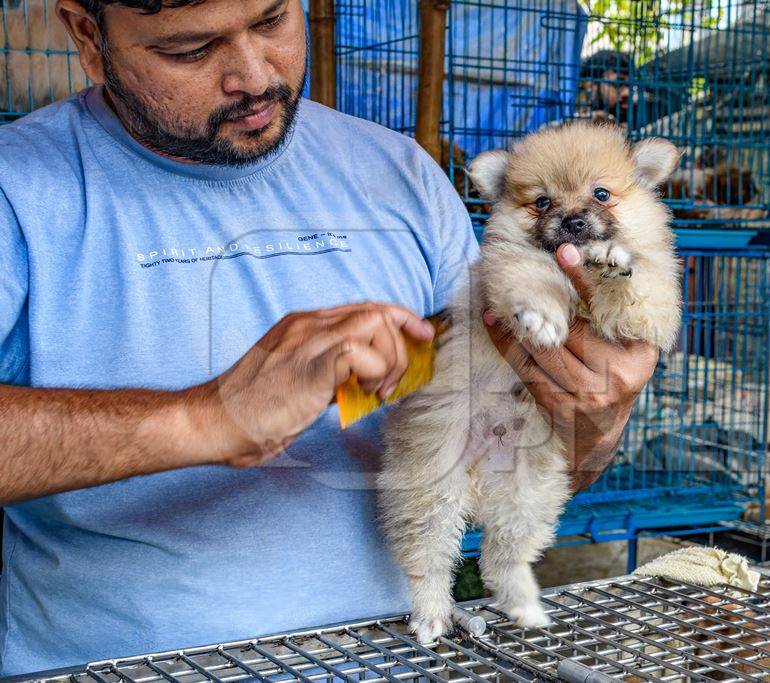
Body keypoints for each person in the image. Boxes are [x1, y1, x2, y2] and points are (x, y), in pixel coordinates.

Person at [0, 0, 658, 674]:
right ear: (86, 33)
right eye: (190, 49)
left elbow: (511, 454)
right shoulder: (20, 188)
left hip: (393, 659)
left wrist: (590, 425)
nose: (253, 77)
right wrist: (206, 417)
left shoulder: (402, 178)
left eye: (271, 21)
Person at [579, 49, 632, 125]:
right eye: (618, 84)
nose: (627, 93)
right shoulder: (573, 117)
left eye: (630, 86)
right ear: (591, 86)